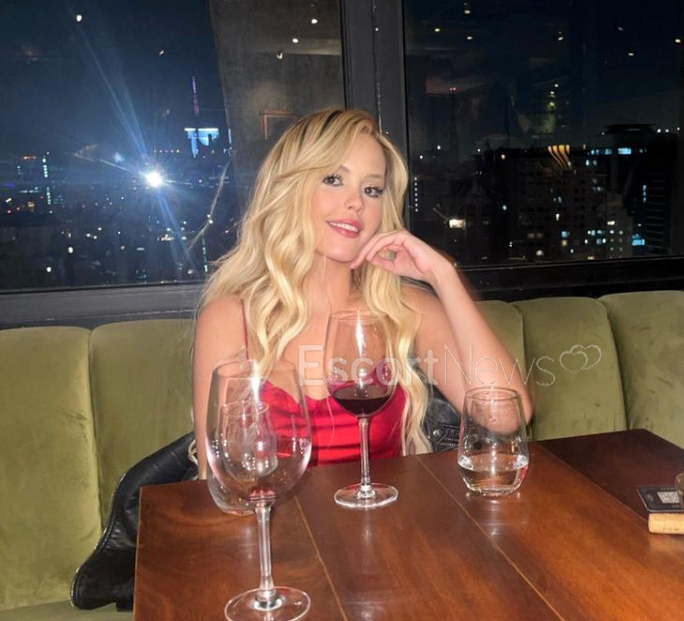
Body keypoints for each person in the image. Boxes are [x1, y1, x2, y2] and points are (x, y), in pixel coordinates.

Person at [193, 107, 533, 471]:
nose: (356, 202)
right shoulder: (232, 319)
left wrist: (442, 275)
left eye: (372, 190)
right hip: (275, 510)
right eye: (333, 179)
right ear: (289, 188)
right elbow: (221, 474)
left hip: (390, 509)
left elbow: (507, 417)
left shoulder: (404, 308)